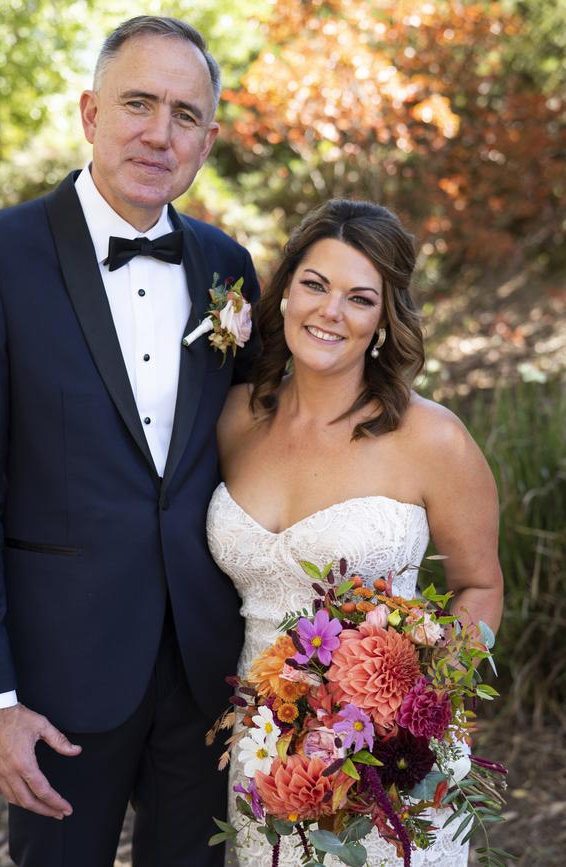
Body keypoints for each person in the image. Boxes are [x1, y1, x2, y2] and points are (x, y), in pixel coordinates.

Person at [0, 16, 259, 867]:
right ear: (90, 112)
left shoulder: (228, 269)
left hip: (206, 673)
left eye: (185, 115)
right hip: (56, 681)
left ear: (208, 138)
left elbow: (261, 451)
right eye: (138, 103)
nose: (160, 132)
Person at [206, 199, 504, 866]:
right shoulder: (231, 420)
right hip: (264, 756)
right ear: (283, 294)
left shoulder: (433, 439)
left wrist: (413, 715)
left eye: (359, 297)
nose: (330, 311)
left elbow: (481, 585)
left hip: (385, 765)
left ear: (382, 319)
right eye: (314, 284)